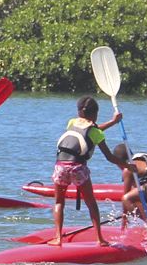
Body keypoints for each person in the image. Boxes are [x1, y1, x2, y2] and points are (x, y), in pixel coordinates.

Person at [49, 96, 127, 246]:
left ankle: (58, 238)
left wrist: (112, 122)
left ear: (79, 112)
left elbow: (89, 132)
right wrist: (127, 166)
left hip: (60, 166)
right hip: (78, 168)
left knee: (59, 202)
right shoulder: (96, 132)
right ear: (95, 114)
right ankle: (100, 239)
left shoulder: (71, 122)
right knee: (91, 203)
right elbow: (109, 156)